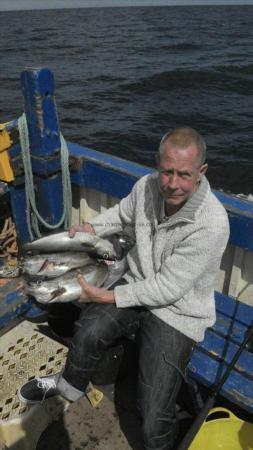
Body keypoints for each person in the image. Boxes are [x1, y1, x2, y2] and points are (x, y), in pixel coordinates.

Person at [18, 127, 230, 450]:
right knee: (88, 332)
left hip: (177, 311)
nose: (172, 183)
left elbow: (167, 289)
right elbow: (122, 213)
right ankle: (67, 386)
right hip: (135, 283)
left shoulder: (212, 222)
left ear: (201, 172)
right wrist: (91, 227)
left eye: (184, 175)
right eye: (166, 171)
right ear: (157, 164)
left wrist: (105, 296)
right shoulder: (146, 187)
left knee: (154, 413)